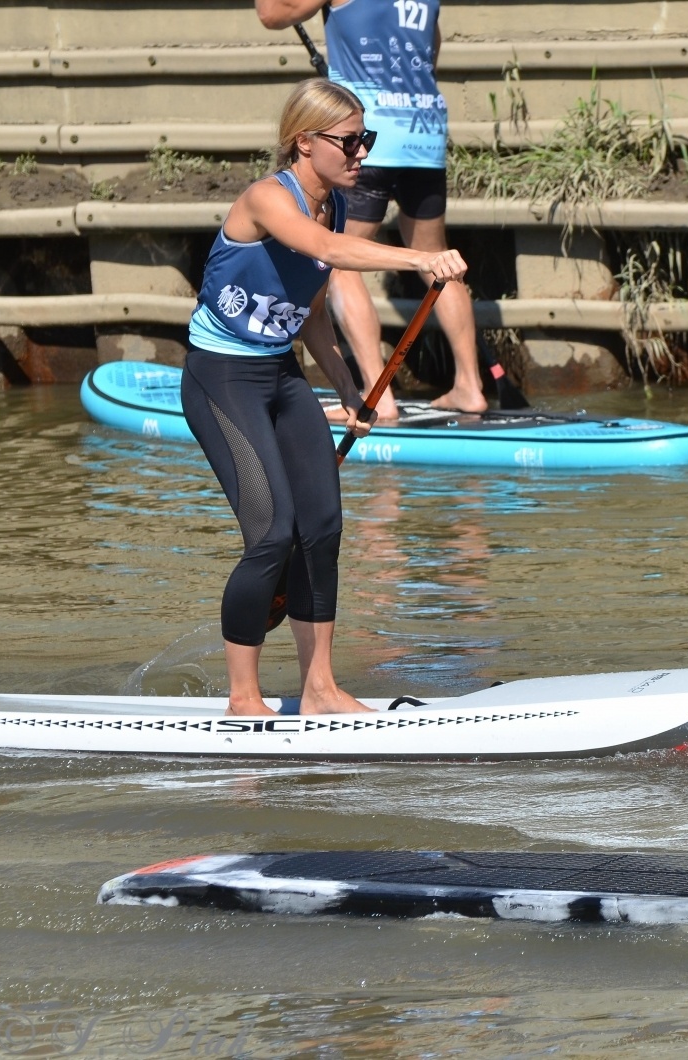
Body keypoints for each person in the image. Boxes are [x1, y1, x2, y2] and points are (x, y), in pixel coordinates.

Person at [183, 78, 468, 717]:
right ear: (304, 142)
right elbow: (328, 253)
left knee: (322, 527)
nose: (361, 152)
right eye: (350, 141)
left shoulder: (331, 204)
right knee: (271, 534)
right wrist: (417, 260)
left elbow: (310, 315)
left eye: (366, 139)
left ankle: (319, 689)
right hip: (220, 379)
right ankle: (243, 698)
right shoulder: (266, 200)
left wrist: (351, 392)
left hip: (283, 378)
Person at [255, 0, 486, 419]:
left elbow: (274, 13)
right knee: (437, 257)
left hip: (362, 137)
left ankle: (378, 396)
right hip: (425, 131)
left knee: (341, 263)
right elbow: (430, 48)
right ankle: (469, 385)